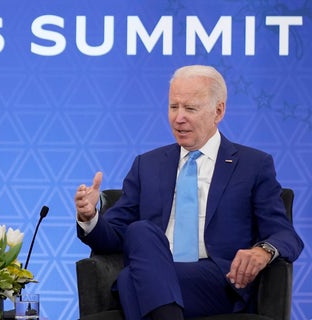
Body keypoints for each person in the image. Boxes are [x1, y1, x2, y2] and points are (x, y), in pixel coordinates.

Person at [74, 65, 303, 319]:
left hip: (217, 281)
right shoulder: (147, 165)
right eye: (174, 107)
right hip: (153, 272)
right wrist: (90, 217)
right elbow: (114, 234)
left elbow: (285, 234)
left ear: (218, 111)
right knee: (140, 231)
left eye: (190, 108)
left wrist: (263, 251)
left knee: (130, 279)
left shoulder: (253, 165)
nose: (178, 118)